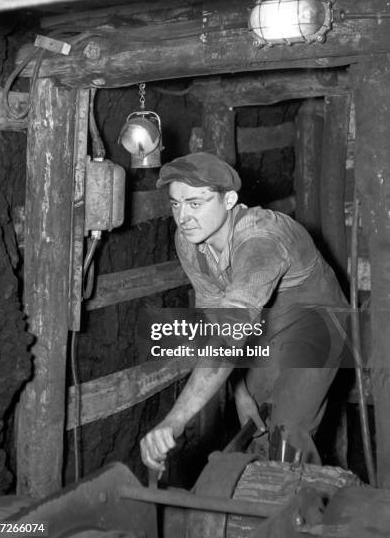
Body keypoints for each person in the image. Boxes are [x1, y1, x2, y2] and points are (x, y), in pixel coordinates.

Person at [140, 152, 348, 473]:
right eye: (175, 204)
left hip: (318, 325)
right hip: (267, 327)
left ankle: (295, 512)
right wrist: (241, 390)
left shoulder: (262, 240)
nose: (183, 217)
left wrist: (175, 421)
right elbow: (216, 315)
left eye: (196, 203)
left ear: (229, 200)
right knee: (257, 426)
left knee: (288, 434)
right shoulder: (189, 241)